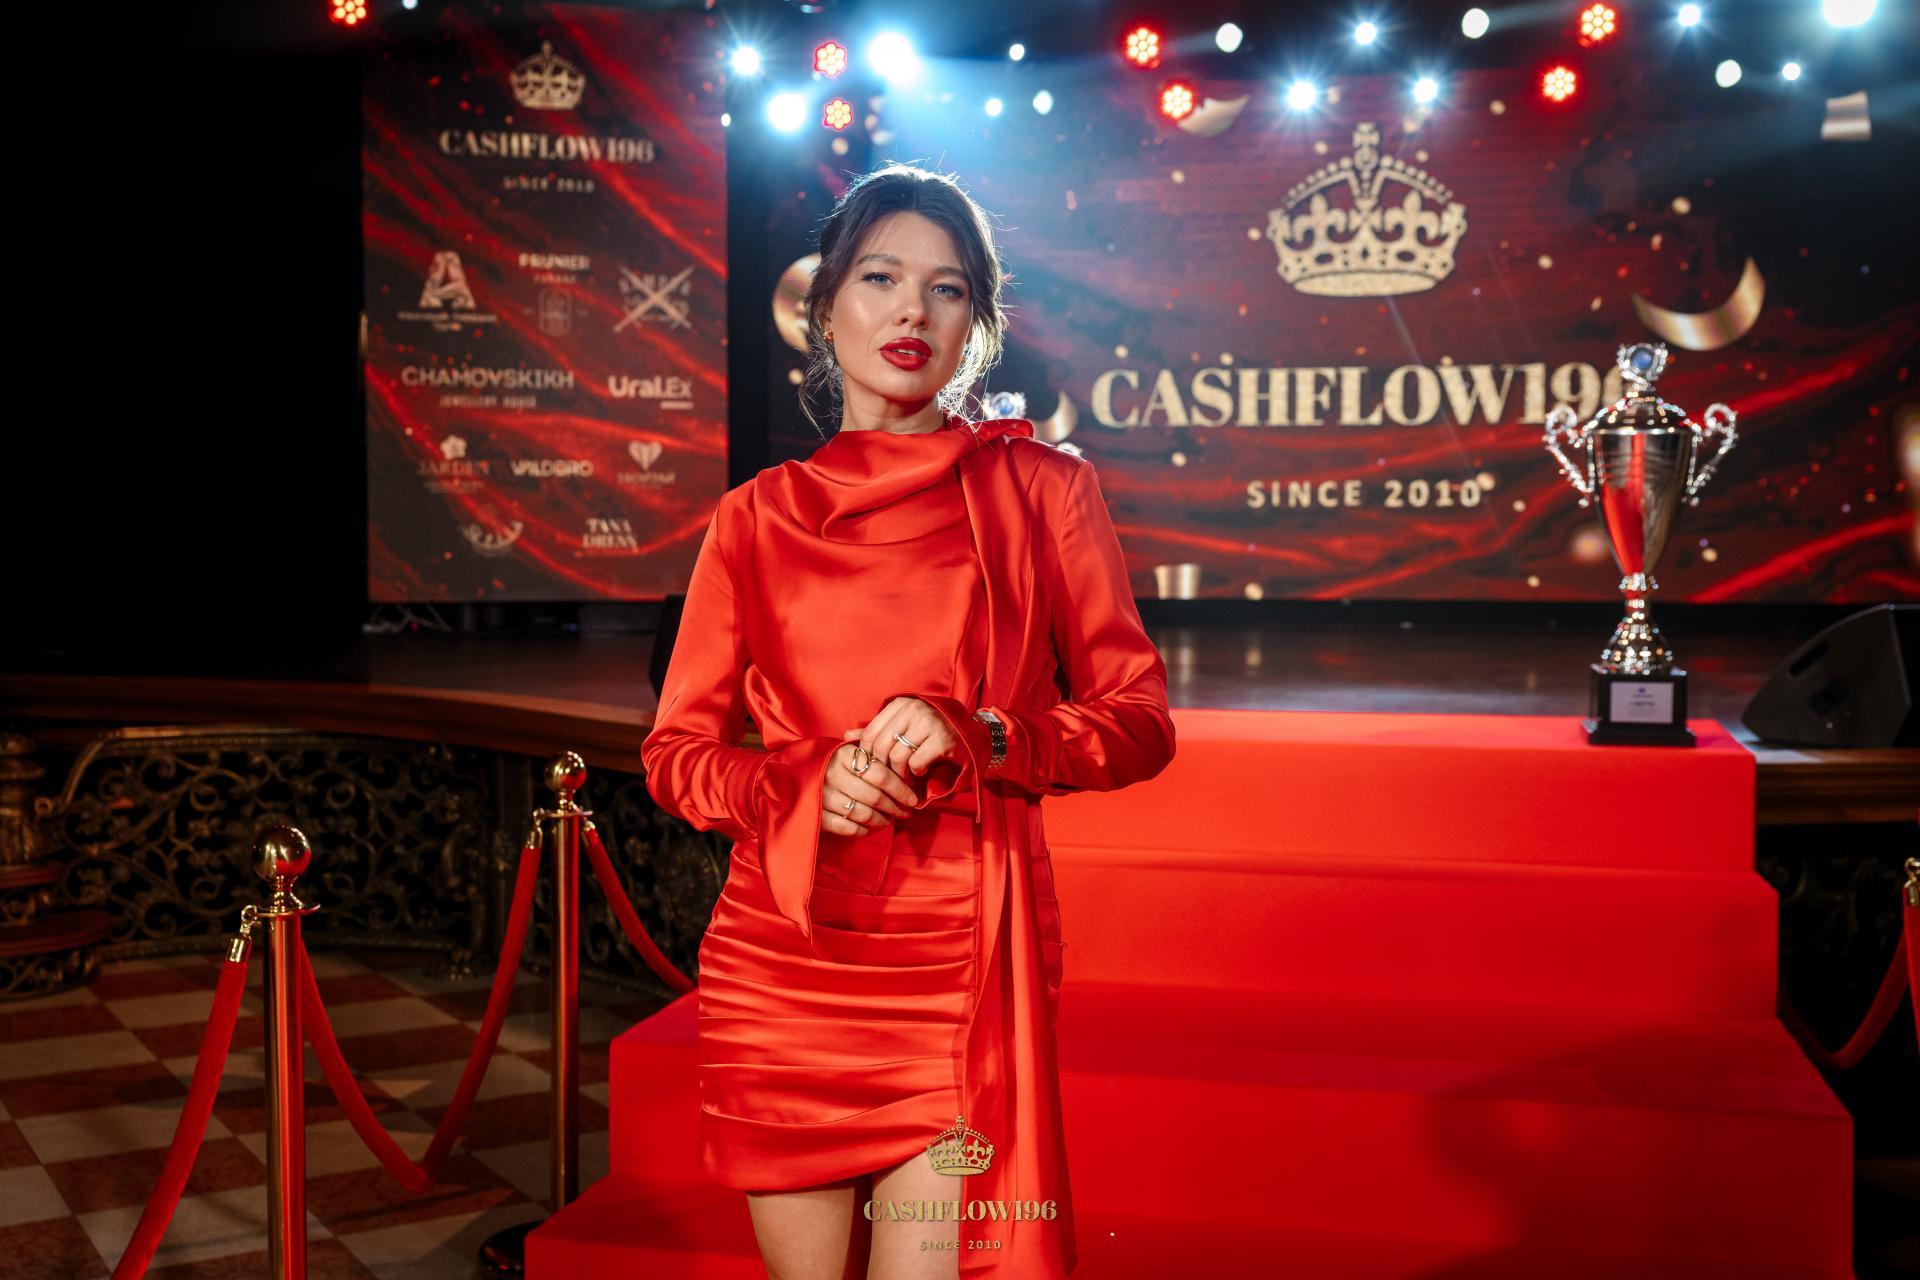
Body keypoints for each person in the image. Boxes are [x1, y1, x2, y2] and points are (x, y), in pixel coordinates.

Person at [641, 163, 1175, 1280]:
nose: (912, 311)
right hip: (786, 957)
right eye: (881, 278)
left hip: (955, 968)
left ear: (976, 323)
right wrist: (797, 781)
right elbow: (677, 755)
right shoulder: (753, 519)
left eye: (947, 288)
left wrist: (991, 734)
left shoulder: (1042, 491)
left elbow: (1137, 720)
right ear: (824, 303)